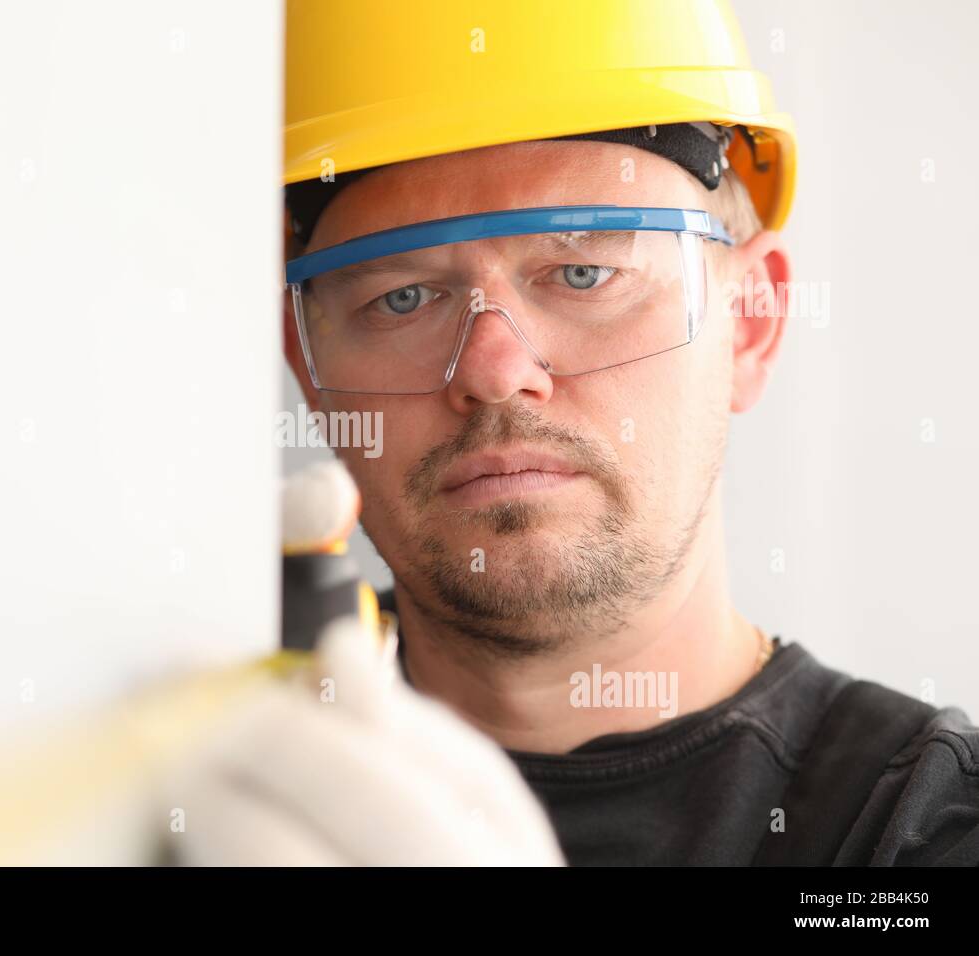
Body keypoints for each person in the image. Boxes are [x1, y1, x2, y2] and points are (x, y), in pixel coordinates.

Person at [274, 0, 979, 865]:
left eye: (582, 272)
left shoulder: (919, 835)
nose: (495, 370)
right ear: (307, 367)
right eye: (403, 297)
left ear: (749, 325)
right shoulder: (181, 763)